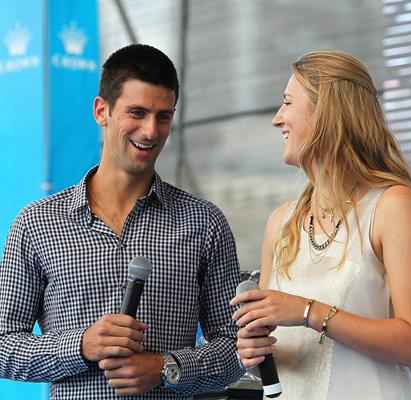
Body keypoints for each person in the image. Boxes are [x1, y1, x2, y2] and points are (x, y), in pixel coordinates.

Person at [0, 44, 244, 398]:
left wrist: (166, 368)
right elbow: (4, 346)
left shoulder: (203, 222)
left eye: (163, 116)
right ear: (102, 111)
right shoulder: (37, 223)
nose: (150, 131)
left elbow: (236, 348)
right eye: (137, 112)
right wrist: (81, 346)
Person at [230, 50, 411, 399]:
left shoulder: (395, 206)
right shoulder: (280, 223)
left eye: (287, 103)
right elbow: (280, 351)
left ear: (326, 111)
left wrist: (306, 311)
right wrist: (254, 356)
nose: (277, 119)